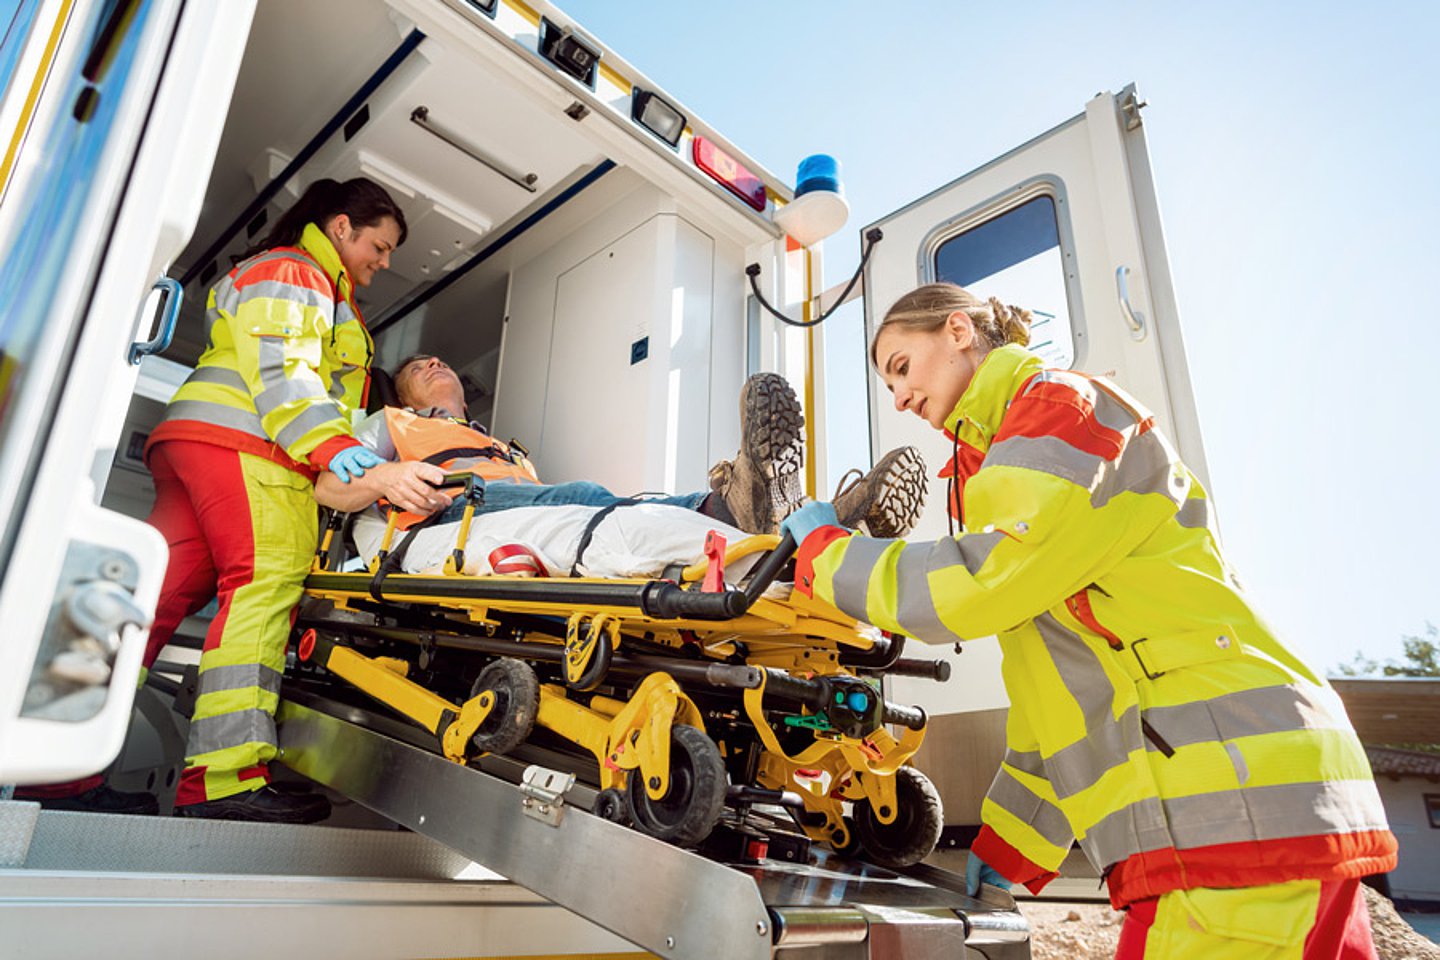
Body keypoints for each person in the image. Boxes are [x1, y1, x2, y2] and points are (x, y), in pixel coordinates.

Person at [780, 283, 1397, 958]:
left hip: (1228, 804)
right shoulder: (1011, 462)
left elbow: (983, 580)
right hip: (1258, 795)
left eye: (901, 366)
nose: (897, 398)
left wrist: (827, 556)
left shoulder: (1060, 408)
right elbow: (1063, 698)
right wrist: (1014, 842)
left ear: (958, 330)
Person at [142, 177, 405, 822]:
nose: (386, 261)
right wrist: (333, 448)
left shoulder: (293, 276)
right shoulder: (297, 271)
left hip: (198, 445)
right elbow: (285, 370)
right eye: (381, 243)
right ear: (341, 227)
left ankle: (58, 772)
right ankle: (224, 784)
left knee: (145, 606)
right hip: (247, 450)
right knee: (264, 591)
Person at [315, 354, 928, 545]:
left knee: (629, 503)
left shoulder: (502, 444)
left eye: (441, 360)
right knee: (586, 499)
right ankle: (755, 506)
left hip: (509, 505)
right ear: (404, 392)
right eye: (422, 366)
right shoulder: (389, 422)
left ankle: (779, 511)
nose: (436, 363)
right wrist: (386, 478)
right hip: (450, 510)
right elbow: (328, 486)